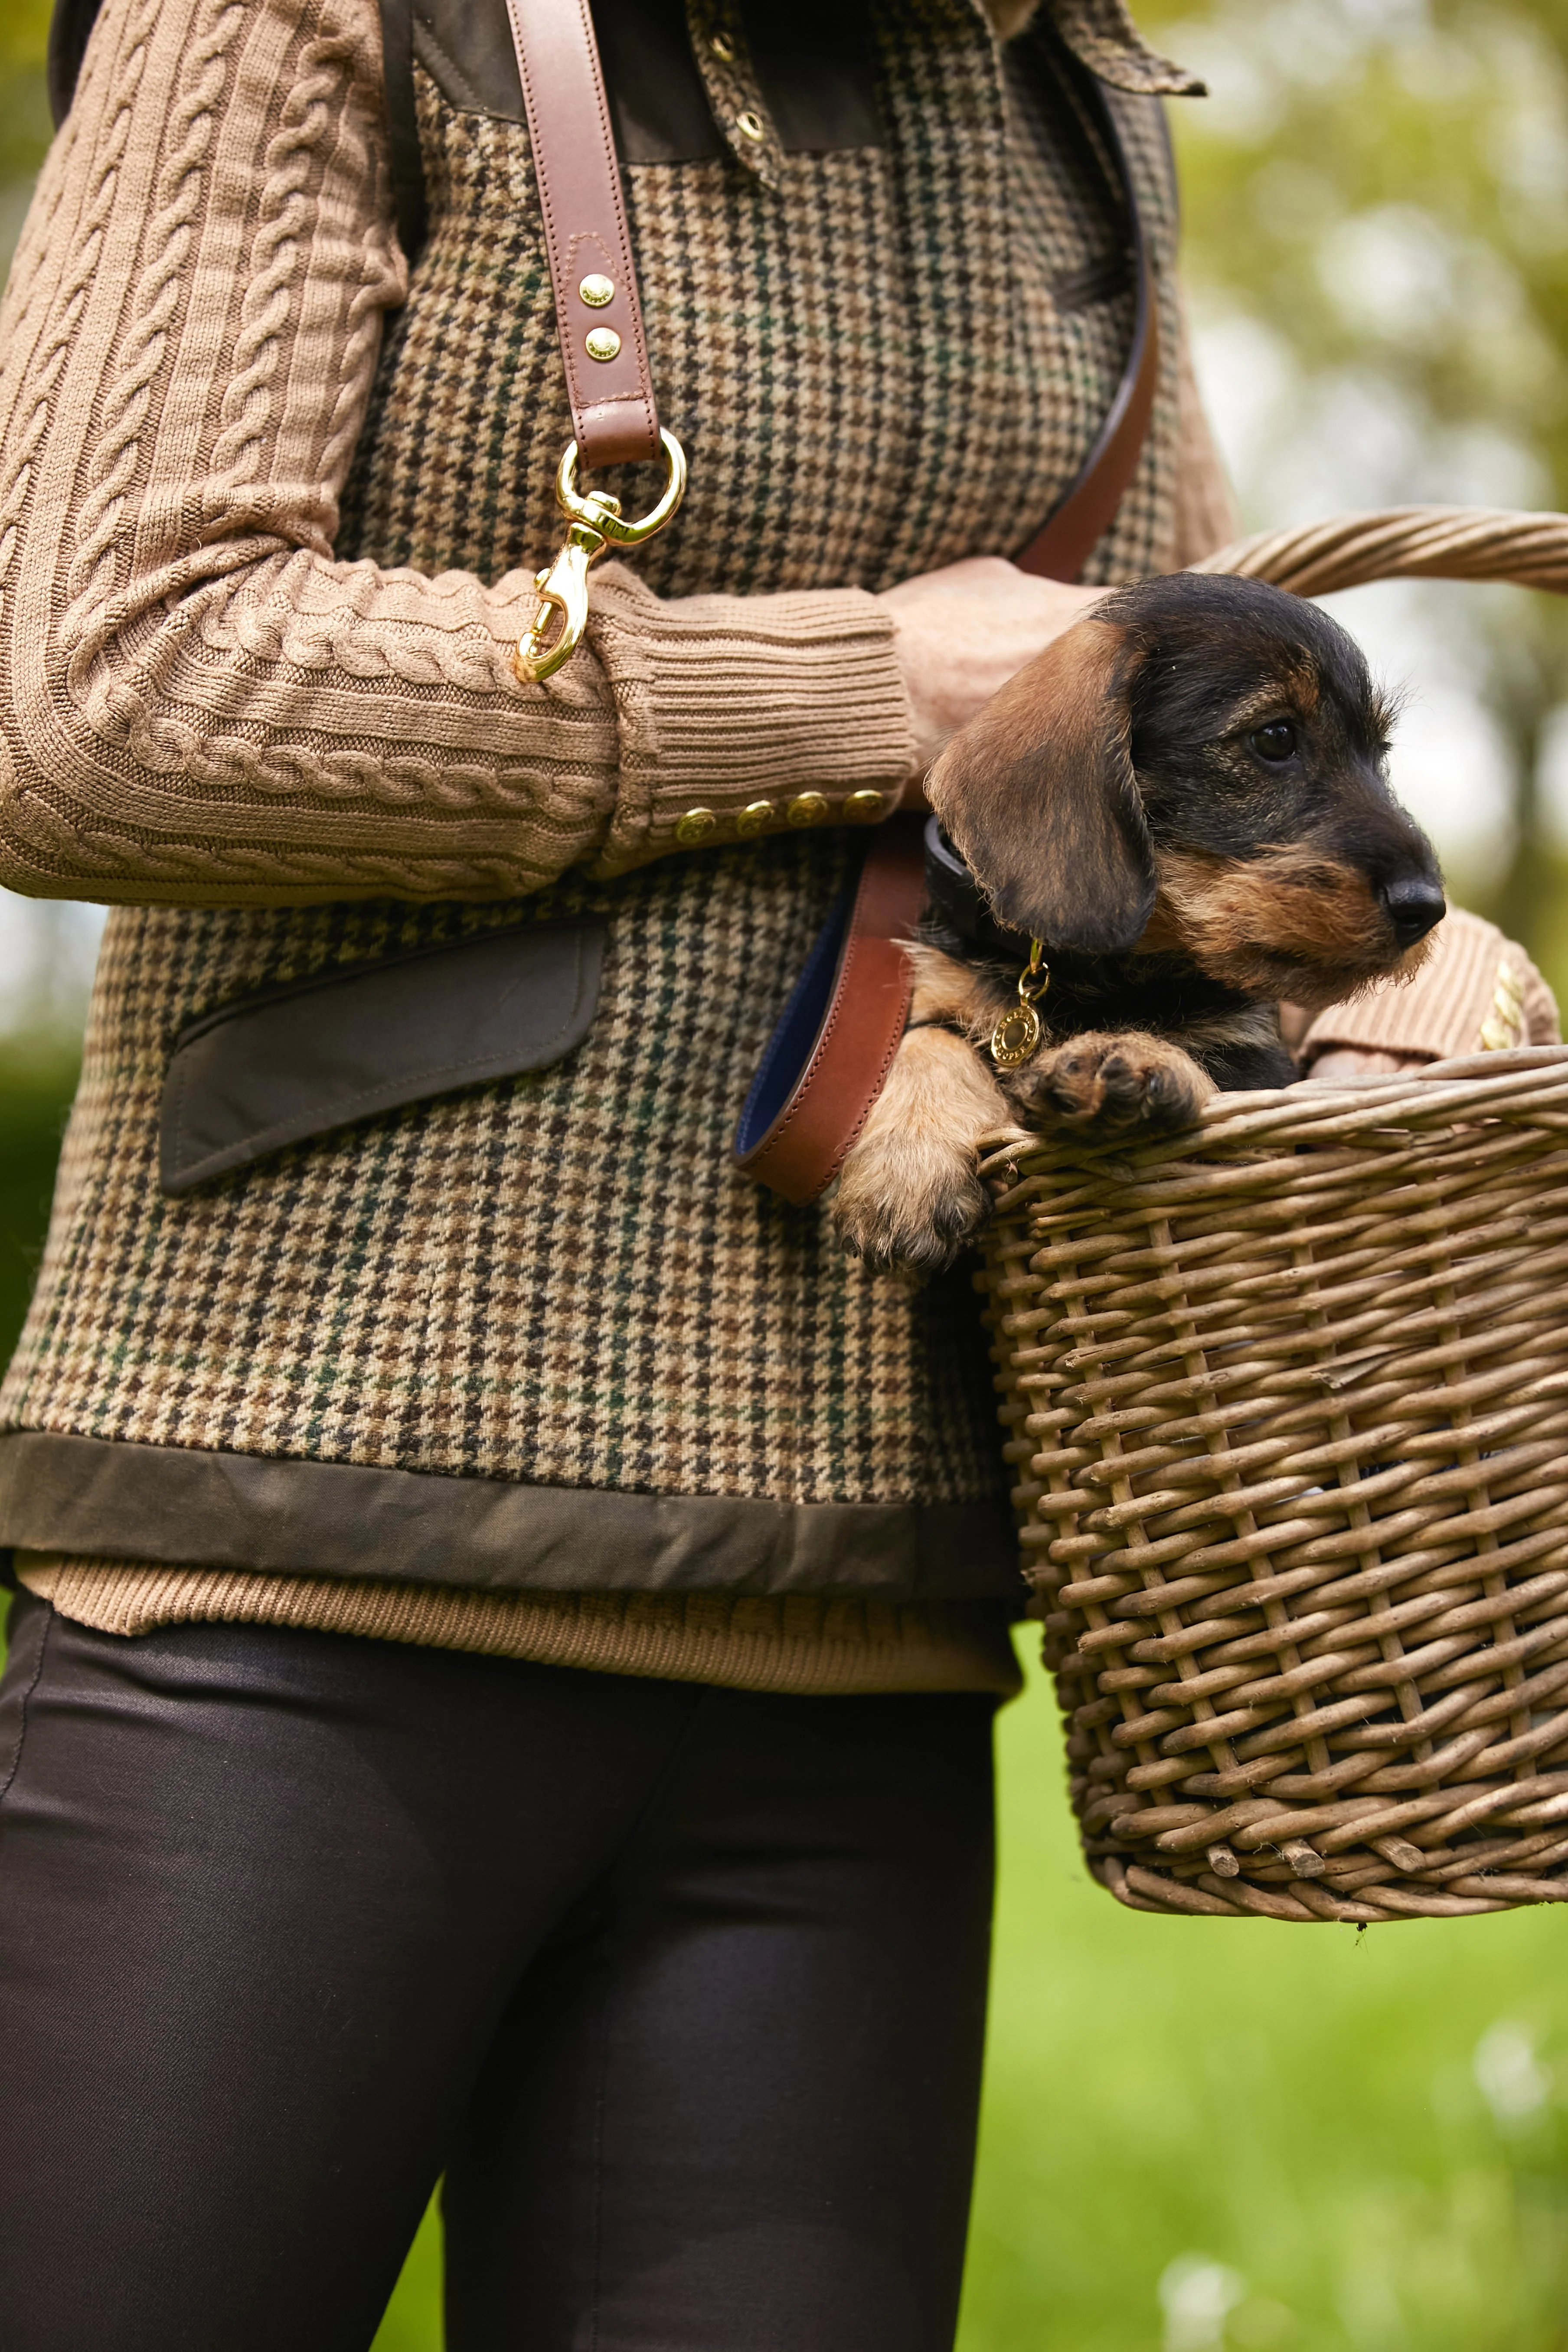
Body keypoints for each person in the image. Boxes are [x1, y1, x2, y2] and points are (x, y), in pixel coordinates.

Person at [0, 2, 1555, 2346]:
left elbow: (1177, 762)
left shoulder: (1068, 97)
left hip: (863, 1625)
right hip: (303, 1569)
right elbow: (97, 691)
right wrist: (860, 691)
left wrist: (1408, 1004)